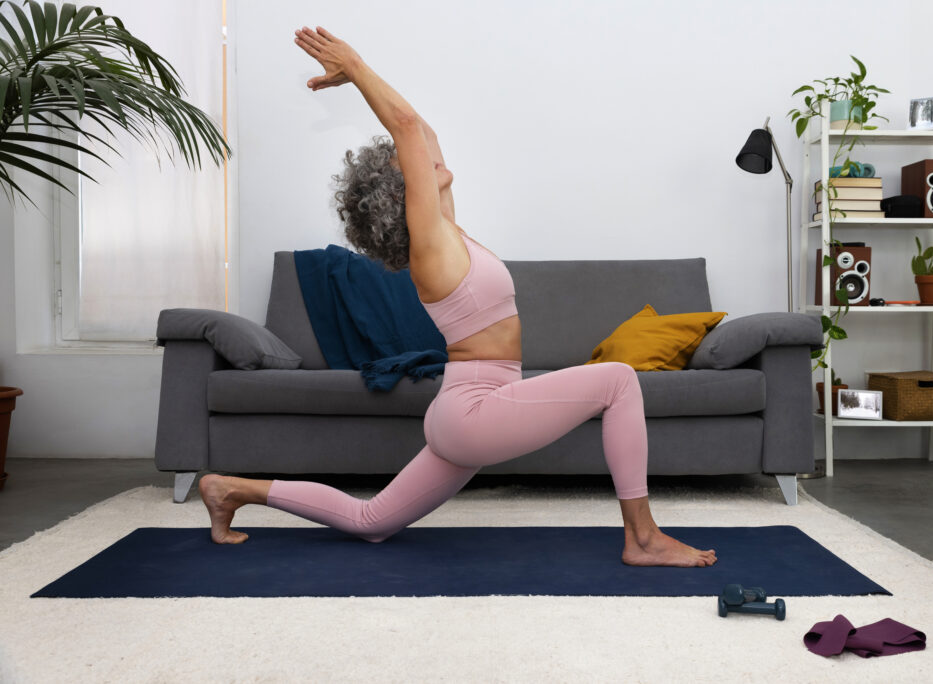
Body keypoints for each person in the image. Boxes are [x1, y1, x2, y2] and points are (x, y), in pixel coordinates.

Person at [198, 26, 718, 568]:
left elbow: (419, 128)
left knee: (372, 521)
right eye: (414, 165)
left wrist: (368, 85)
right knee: (619, 380)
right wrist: (355, 65)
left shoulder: (447, 232)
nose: (427, 156)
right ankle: (643, 538)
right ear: (407, 196)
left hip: (469, 408)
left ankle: (230, 489)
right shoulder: (429, 247)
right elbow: (404, 127)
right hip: (474, 411)